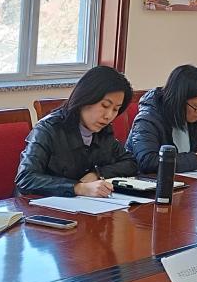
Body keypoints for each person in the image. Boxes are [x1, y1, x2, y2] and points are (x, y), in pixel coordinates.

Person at [15, 65, 139, 197]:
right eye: (105, 105)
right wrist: (78, 188)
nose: (109, 115)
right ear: (86, 98)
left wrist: (97, 174)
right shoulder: (47, 129)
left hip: (84, 205)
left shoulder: (103, 131)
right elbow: (25, 178)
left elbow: (130, 163)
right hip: (40, 205)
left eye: (115, 109)